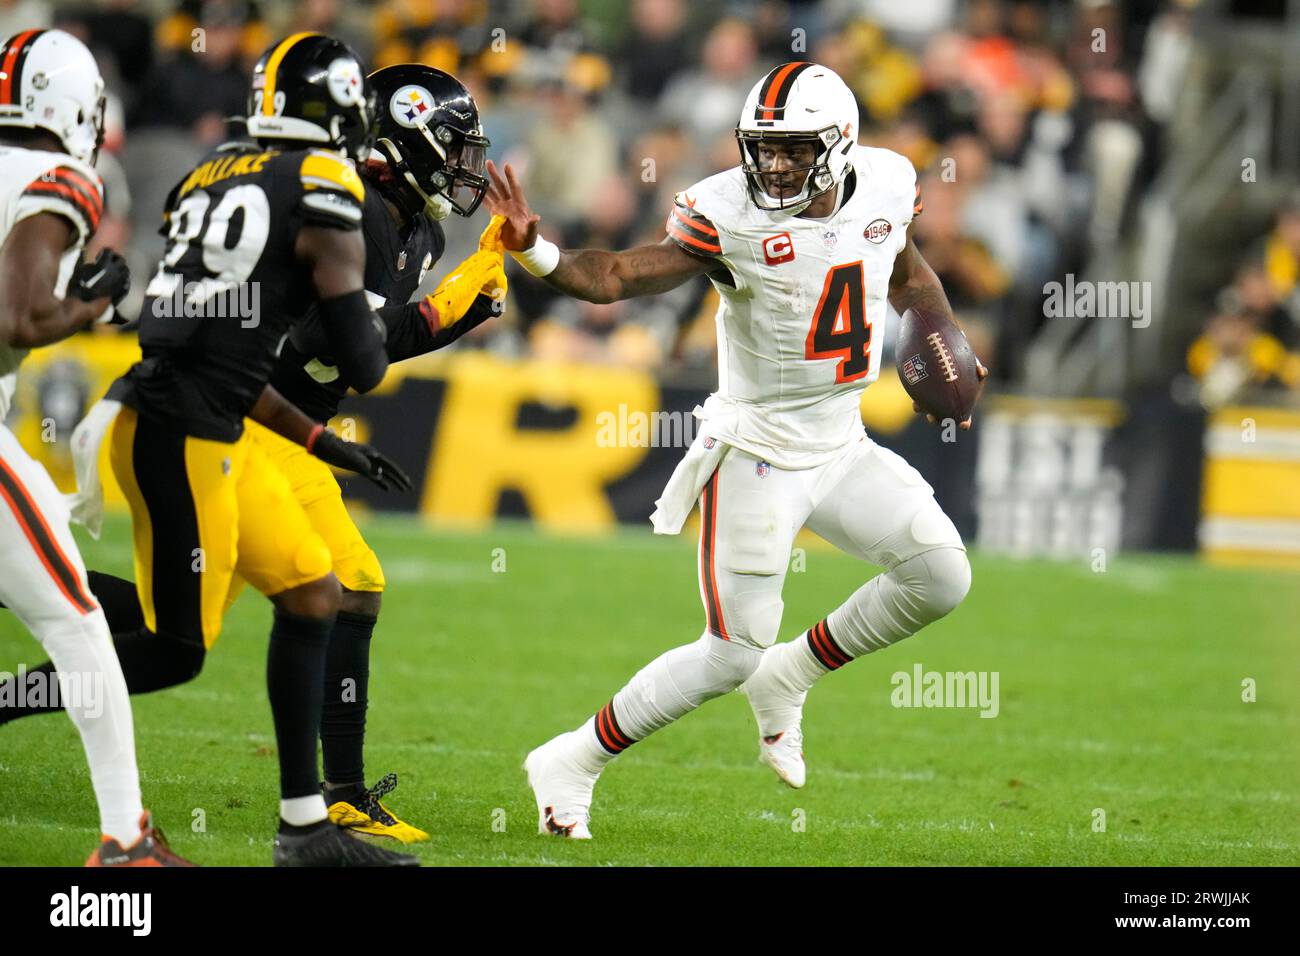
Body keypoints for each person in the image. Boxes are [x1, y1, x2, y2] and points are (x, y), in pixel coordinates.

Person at [487, 62, 985, 838]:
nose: (775, 165)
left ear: (842, 144)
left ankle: (794, 672)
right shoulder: (728, 212)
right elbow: (617, 276)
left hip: (841, 439)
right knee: (729, 652)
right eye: (765, 148)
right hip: (756, 446)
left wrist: (944, 340)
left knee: (941, 575)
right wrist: (540, 253)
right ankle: (571, 758)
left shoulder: (887, 183)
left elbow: (910, 276)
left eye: (794, 149)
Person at [0, 27, 191, 865]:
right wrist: (88, 302)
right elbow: (14, 318)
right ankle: (126, 840)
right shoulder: (60, 178)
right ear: (69, 103)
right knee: (79, 624)